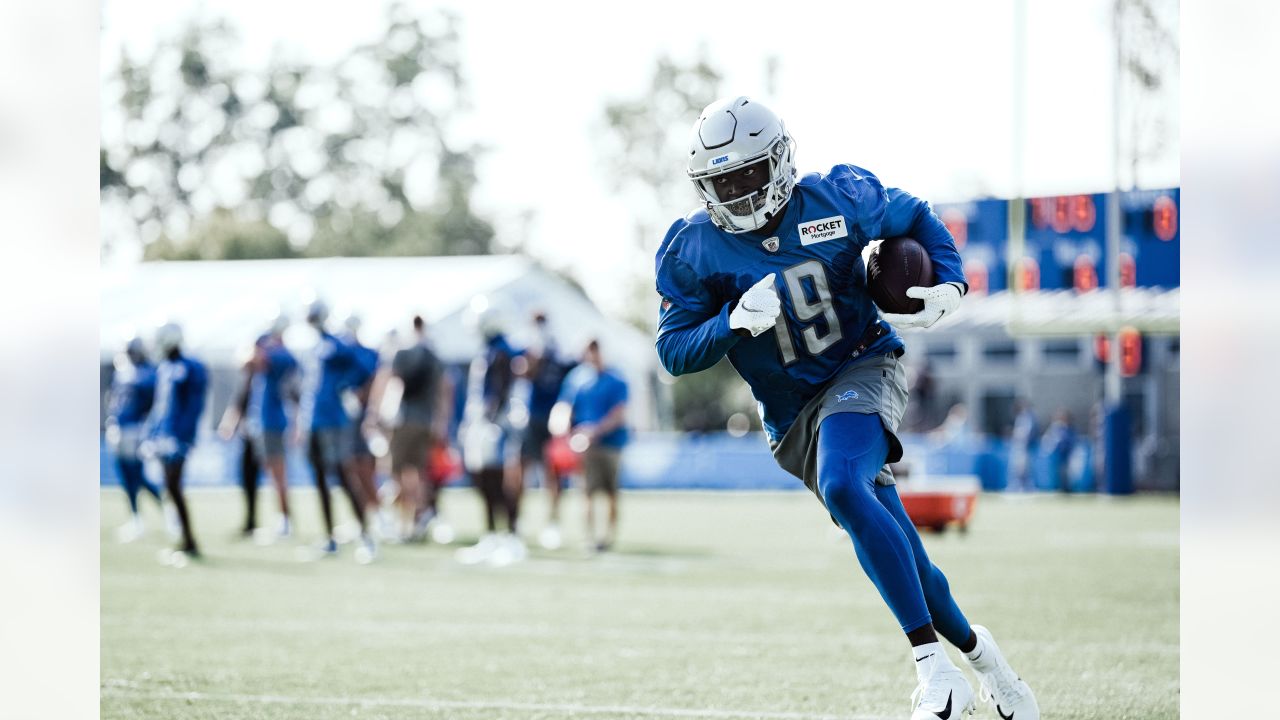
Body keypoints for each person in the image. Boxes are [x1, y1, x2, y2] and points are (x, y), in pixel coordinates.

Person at [654, 97, 1038, 720]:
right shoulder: (693, 248)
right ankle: (984, 658)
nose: (743, 193)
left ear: (779, 161)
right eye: (726, 183)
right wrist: (731, 321)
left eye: (751, 174)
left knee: (842, 482)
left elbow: (915, 214)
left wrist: (949, 278)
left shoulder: (836, 197)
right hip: (794, 416)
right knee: (903, 552)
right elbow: (673, 352)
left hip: (863, 363)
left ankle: (933, 671)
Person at [299, 299, 377, 562]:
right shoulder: (315, 347)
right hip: (314, 421)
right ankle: (329, 537)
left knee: (344, 476)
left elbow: (364, 368)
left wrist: (348, 389)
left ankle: (365, 536)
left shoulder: (337, 345)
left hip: (333, 420)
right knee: (320, 478)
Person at [367, 314, 452, 542]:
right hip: (425, 420)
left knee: (397, 474)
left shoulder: (400, 352)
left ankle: (402, 524)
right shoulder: (434, 355)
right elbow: (444, 391)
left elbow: (387, 382)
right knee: (419, 475)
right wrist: (442, 422)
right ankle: (417, 521)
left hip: (401, 419)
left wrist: (374, 415)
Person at [455, 304, 526, 566]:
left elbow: (499, 389)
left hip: (496, 424)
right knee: (484, 480)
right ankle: (492, 536)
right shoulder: (488, 350)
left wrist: (488, 418)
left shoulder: (502, 350)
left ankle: (511, 537)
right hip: (482, 422)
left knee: (498, 480)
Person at [142, 322, 207, 563]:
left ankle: (189, 541)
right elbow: (161, 407)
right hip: (164, 436)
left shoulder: (190, 367)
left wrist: (182, 436)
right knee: (170, 487)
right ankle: (184, 539)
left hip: (178, 437)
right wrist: (153, 434)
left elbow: (194, 406)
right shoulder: (165, 368)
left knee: (174, 486)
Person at [555, 339, 628, 552]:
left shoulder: (616, 379)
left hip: (611, 443)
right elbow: (565, 406)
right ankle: (589, 537)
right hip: (583, 445)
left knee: (611, 493)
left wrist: (594, 432)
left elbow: (619, 414)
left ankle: (608, 538)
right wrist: (563, 428)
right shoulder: (577, 378)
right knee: (586, 492)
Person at [516, 311, 577, 550]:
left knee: (552, 474)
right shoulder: (528, 350)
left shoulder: (557, 351)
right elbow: (523, 373)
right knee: (521, 470)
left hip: (552, 420)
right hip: (531, 418)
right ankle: (518, 521)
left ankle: (552, 523)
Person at [105, 336, 162, 542]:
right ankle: (136, 518)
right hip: (119, 428)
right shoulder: (122, 372)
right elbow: (114, 400)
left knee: (138, 475)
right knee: (126, 476)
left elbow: (156, 403)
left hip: (136, 429)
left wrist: (149, 428)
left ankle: (167, 510)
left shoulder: (149, 373)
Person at [340, 313, 382, 535]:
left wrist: (360, 397)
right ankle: (364, 516)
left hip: (363, 419)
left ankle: (377, 514)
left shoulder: (367, 353)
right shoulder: (342, 351)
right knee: (351, 469)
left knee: (364, 467)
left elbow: (375, 380)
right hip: (346, 418)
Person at [1009, 398, 1041, 492]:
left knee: (1024, 468)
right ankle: (1018, 486)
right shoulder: (1020, 417)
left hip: (1025, 447)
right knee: (1018, 467)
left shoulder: (1029, 417)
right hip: (1019, 446)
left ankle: (1028, 487)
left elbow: (1027, 433)